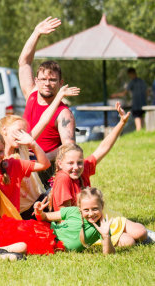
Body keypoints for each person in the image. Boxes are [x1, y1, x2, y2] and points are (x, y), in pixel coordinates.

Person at [50, 103, 149, 246]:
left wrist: (121, 123)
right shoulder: (63, 178)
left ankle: (145, 236)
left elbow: (103, 148)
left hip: (97, 215)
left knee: (141, 231)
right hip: (83, 225)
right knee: (129, 241)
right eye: (70, 163)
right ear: (60, 163)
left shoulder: (82, 169)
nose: (76, 167)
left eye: (79, 162)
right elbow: (64, 218)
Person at [0, 84, 80, 218]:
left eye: (24, 132)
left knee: (66, 184)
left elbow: (44, 119)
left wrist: (59, 95)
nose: (21, 135)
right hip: (20, 212)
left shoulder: (22, 146)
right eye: (18, 131)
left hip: (39, 203)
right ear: (4, 130)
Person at [18, 17, 75, 182]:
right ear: (37, 81)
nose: (47, 84)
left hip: (47, 170)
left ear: (60, 83)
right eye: (43, 79)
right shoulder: (31, 95)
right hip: (25, 164)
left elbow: (68, 147)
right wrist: (36, 33)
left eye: (52, 80)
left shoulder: (63, 113)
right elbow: (24, 63)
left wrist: (39, 156)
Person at [0, 189, 116, 255]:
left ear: (102, 206)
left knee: (6, 244)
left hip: (49, 245)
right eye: (86, 210)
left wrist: (106, 236)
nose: (91, 213)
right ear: (80, 208)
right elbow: (46, 217)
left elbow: (108, 255)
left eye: (95, 209)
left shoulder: (102, 226)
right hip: (42, 231)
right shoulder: (72, 212)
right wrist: (39, 212)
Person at [0, 130, 50, 235]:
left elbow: (44, 165)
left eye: (0, 151)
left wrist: (33, 144)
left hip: (11, 221)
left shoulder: (13, 164)